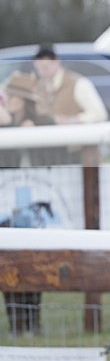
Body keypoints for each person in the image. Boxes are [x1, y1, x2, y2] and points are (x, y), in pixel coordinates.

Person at [0, 72, 50, 335]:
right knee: (9, 261)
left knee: (33, 261)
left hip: (34, 202)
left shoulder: (41, 123)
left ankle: (34, 321)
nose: (9, 100)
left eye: (14, 96)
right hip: (7, 202)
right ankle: (16, 322)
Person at [32, 44, 108, 164]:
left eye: (45, 67)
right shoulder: (39, 87)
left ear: (56, 62)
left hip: (79, 152)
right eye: (39, 68)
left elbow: (99, 114)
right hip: (52, 153)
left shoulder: (79, 83)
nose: (42, 72)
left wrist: (71, 120)